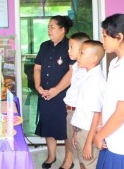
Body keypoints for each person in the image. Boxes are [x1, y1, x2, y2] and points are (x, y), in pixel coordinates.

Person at [34, 15, 74, 169]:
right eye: (48, 27)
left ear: (62, 29)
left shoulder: (70, 46)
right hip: (45, 93)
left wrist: (56, 90)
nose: (49, 30)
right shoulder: (44, 46)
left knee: (66, 129)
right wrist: (38, 87)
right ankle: (51, 156)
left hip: (63, 95)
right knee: (48, 125)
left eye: (52, 27)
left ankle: (68, 161)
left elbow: (72, 72)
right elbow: (37, 67)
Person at [93, 13, 124, 169]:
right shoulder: (114, 63)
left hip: (121, 144)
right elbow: (109, 100)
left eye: (105, 36)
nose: (102, 41)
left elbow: (122, 112)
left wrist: (99, 135)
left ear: (119, 37)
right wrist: (101, 128)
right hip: (110, 136)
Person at [71, 40, 106, 169]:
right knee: (83, 164)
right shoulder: (86, 75)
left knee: (90, 165)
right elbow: (82, 108)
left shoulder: (96, 81)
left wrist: (88, 142)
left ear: (94, 58)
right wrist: (76, 131)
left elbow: (97, 114)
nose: (78, 56)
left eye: (82, 53)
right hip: (81, 130)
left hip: (88, 133)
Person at [64, 32, 90, 169]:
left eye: (71, 47)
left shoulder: (87, 71)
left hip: (79, 115)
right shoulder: (75, 67)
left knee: (83, 156)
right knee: (76, 150)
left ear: (82, 50)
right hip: (71, 114)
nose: (68, 50)